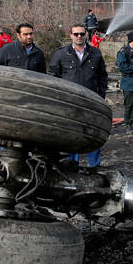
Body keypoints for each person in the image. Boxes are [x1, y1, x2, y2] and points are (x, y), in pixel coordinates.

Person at [49, 23, 108, 166]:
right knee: (70, 133)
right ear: (71, 36)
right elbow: (52, 76)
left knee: (93, 133)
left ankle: (93, 165)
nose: (79, 36)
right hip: (69, 102)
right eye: (76, 34)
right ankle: (71, 163)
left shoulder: (95, 53)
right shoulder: (61, 54)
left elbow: (102, 77)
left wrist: (100, 96)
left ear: (86, 35)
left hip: (91, 101)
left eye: (82, 33)